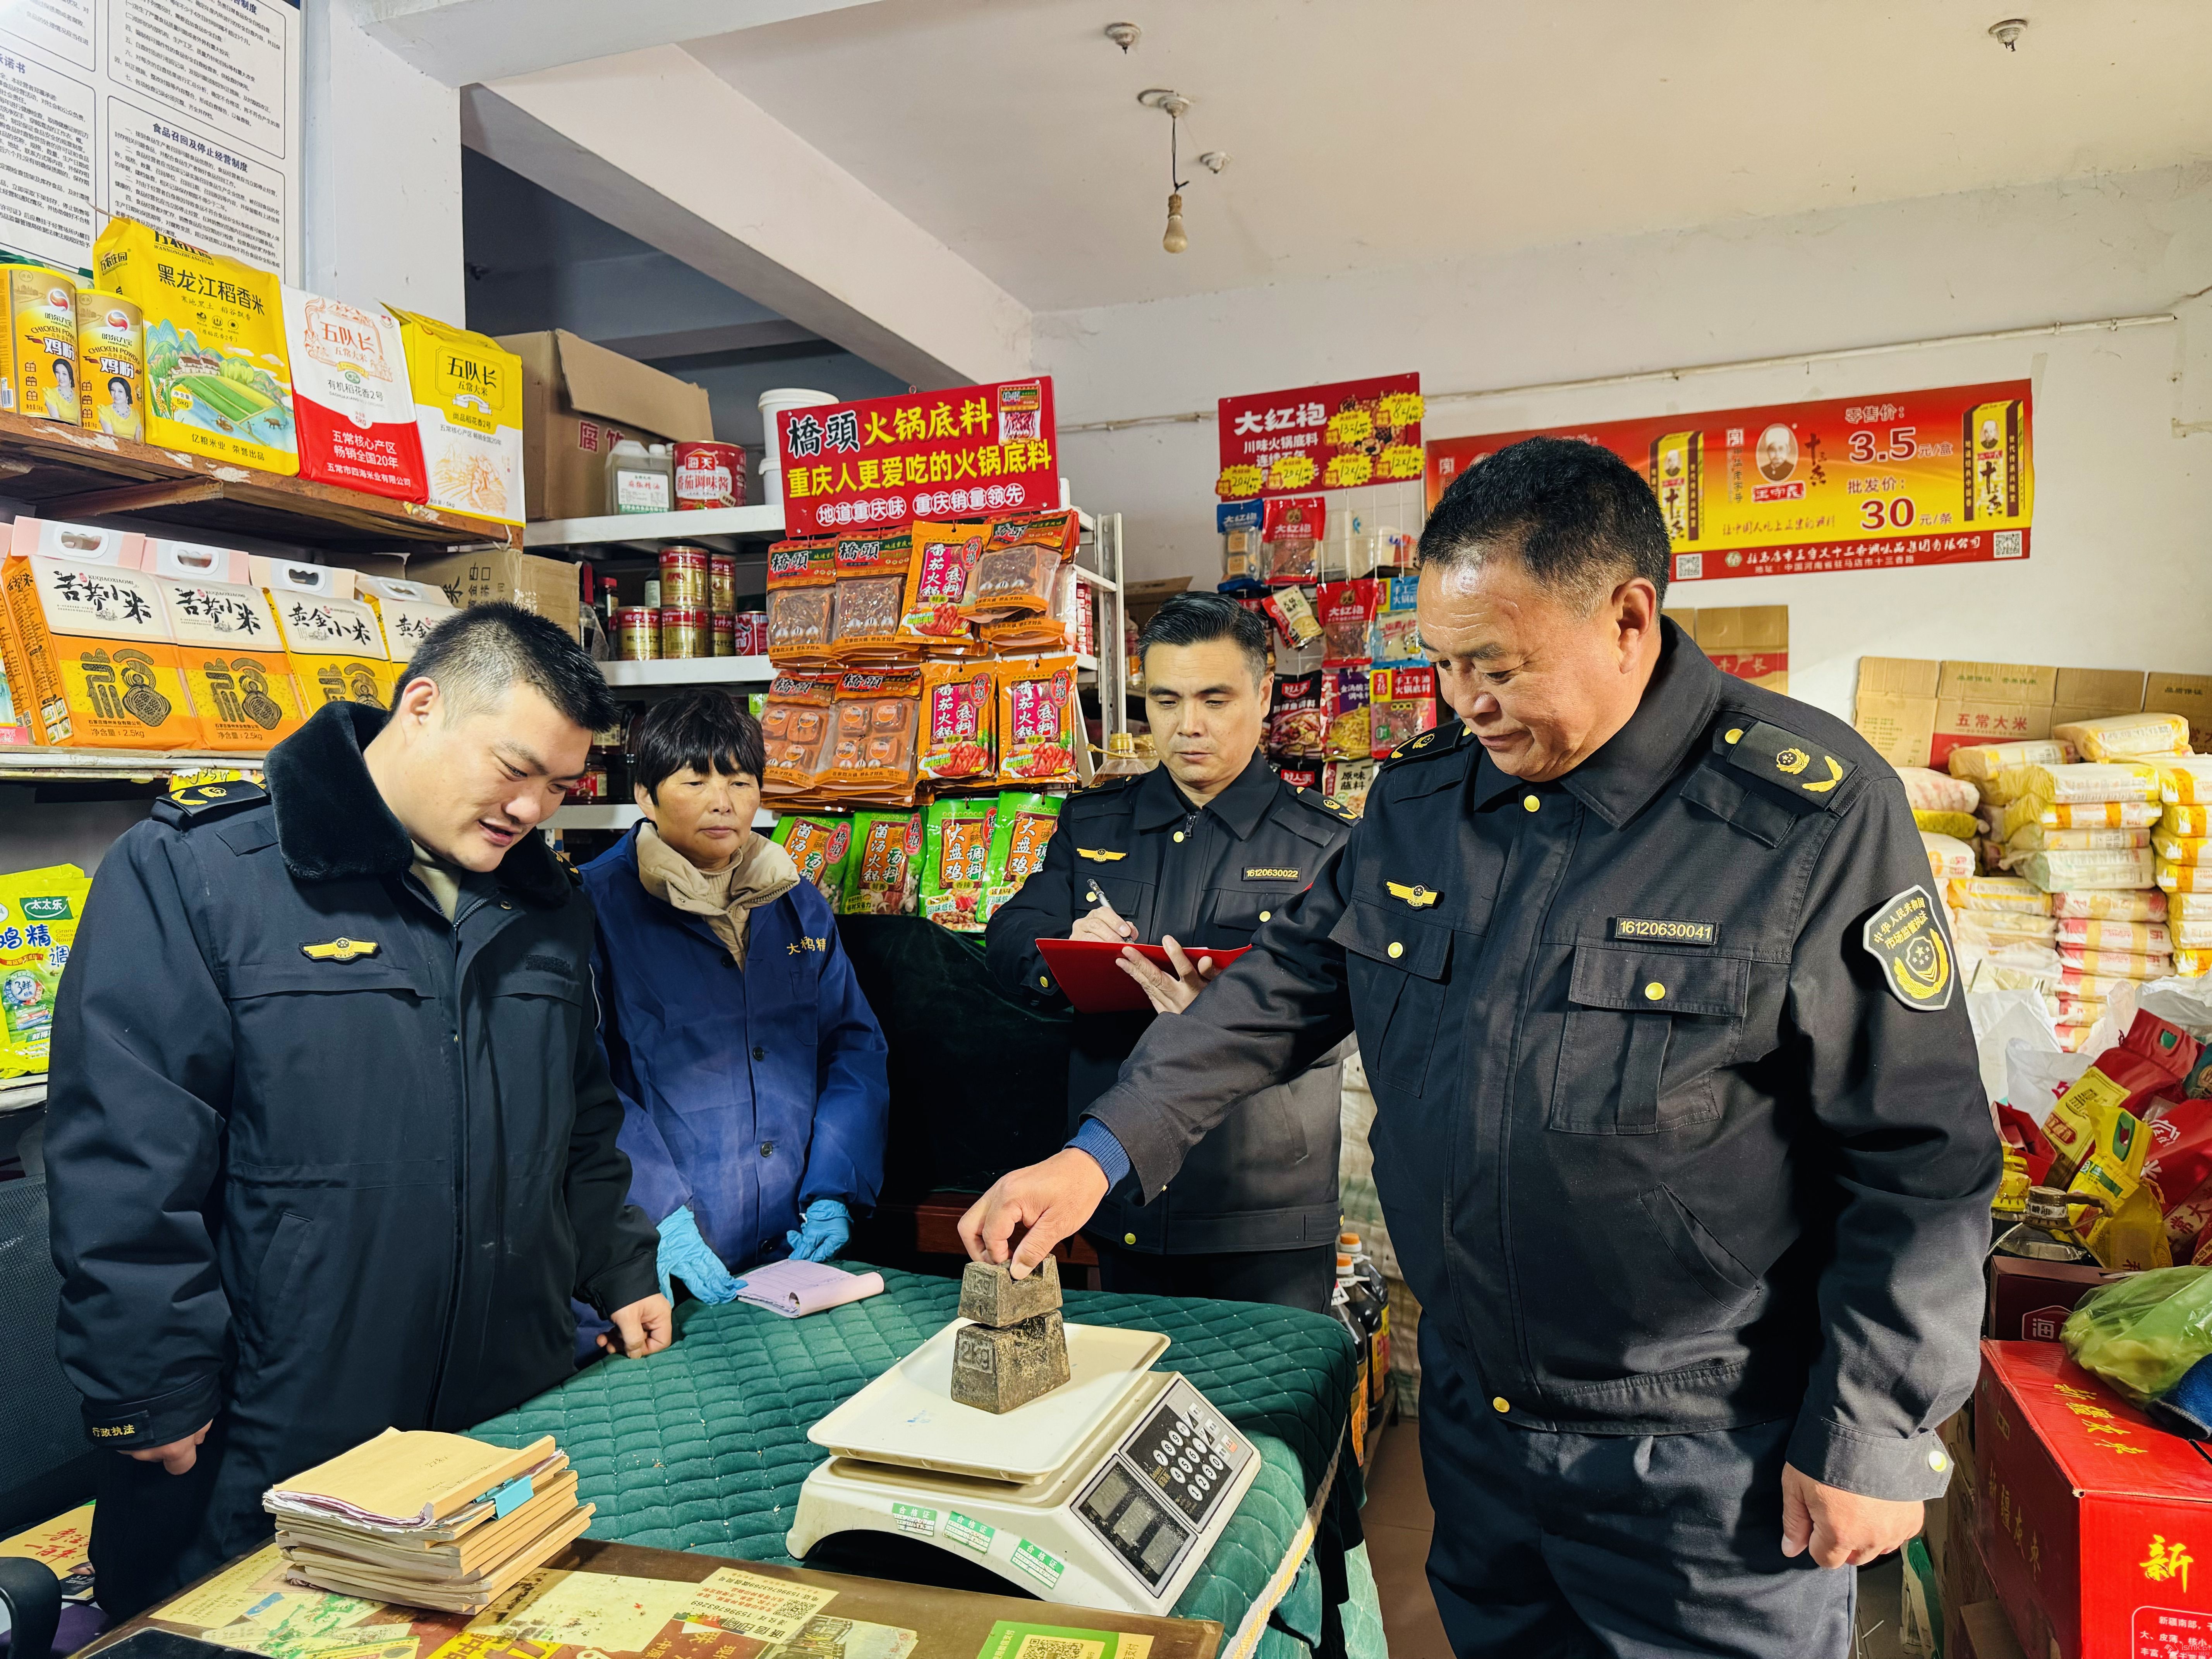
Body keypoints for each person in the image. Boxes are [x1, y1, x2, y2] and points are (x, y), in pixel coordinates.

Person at [961, 438, 1999, 1656]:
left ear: (1627, 619)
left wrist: (1874, 1429)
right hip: (1481, 1425)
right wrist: (1098, 1154)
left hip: (1704, 1453)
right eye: (1446, 665)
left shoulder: (1802, 816)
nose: (1467, 703)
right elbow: (1281, 989)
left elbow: (1918, 1155)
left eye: (1497, 667)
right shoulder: (1425, 803)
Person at [46, 603, 670, 1619]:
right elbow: (123, 1151)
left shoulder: (545, 905)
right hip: (277, 1418)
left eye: (559, 787)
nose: (531, 809)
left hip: (499, 1407)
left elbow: (580, 1119)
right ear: (422, 706)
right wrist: (147, 1378)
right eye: (514, 769)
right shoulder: (204, 873)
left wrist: (619, 1263)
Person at [984, 593, 1357, 1312]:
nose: (1189, 726)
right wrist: (1062, 953)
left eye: (1215, 700)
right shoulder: (1096, 821)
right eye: (1165, 701)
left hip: (1262, 1213)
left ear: (1264, 696)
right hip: (1116, 1195)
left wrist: (1226, 1014)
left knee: (1272, 1386)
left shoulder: (1326, 843)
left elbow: (1360, 1009)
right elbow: (1010, 935)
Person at [579, 689, 887, 1338]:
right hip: (654, 1263)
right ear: (646, 795)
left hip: (788, 1252)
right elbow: (584, 1080)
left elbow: (853, 1048)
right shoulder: (593, 907)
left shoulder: (797, 903)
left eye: (740, 782)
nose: (723, 802)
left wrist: (833, 1188)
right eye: (695, 781)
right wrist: (655, 1214)